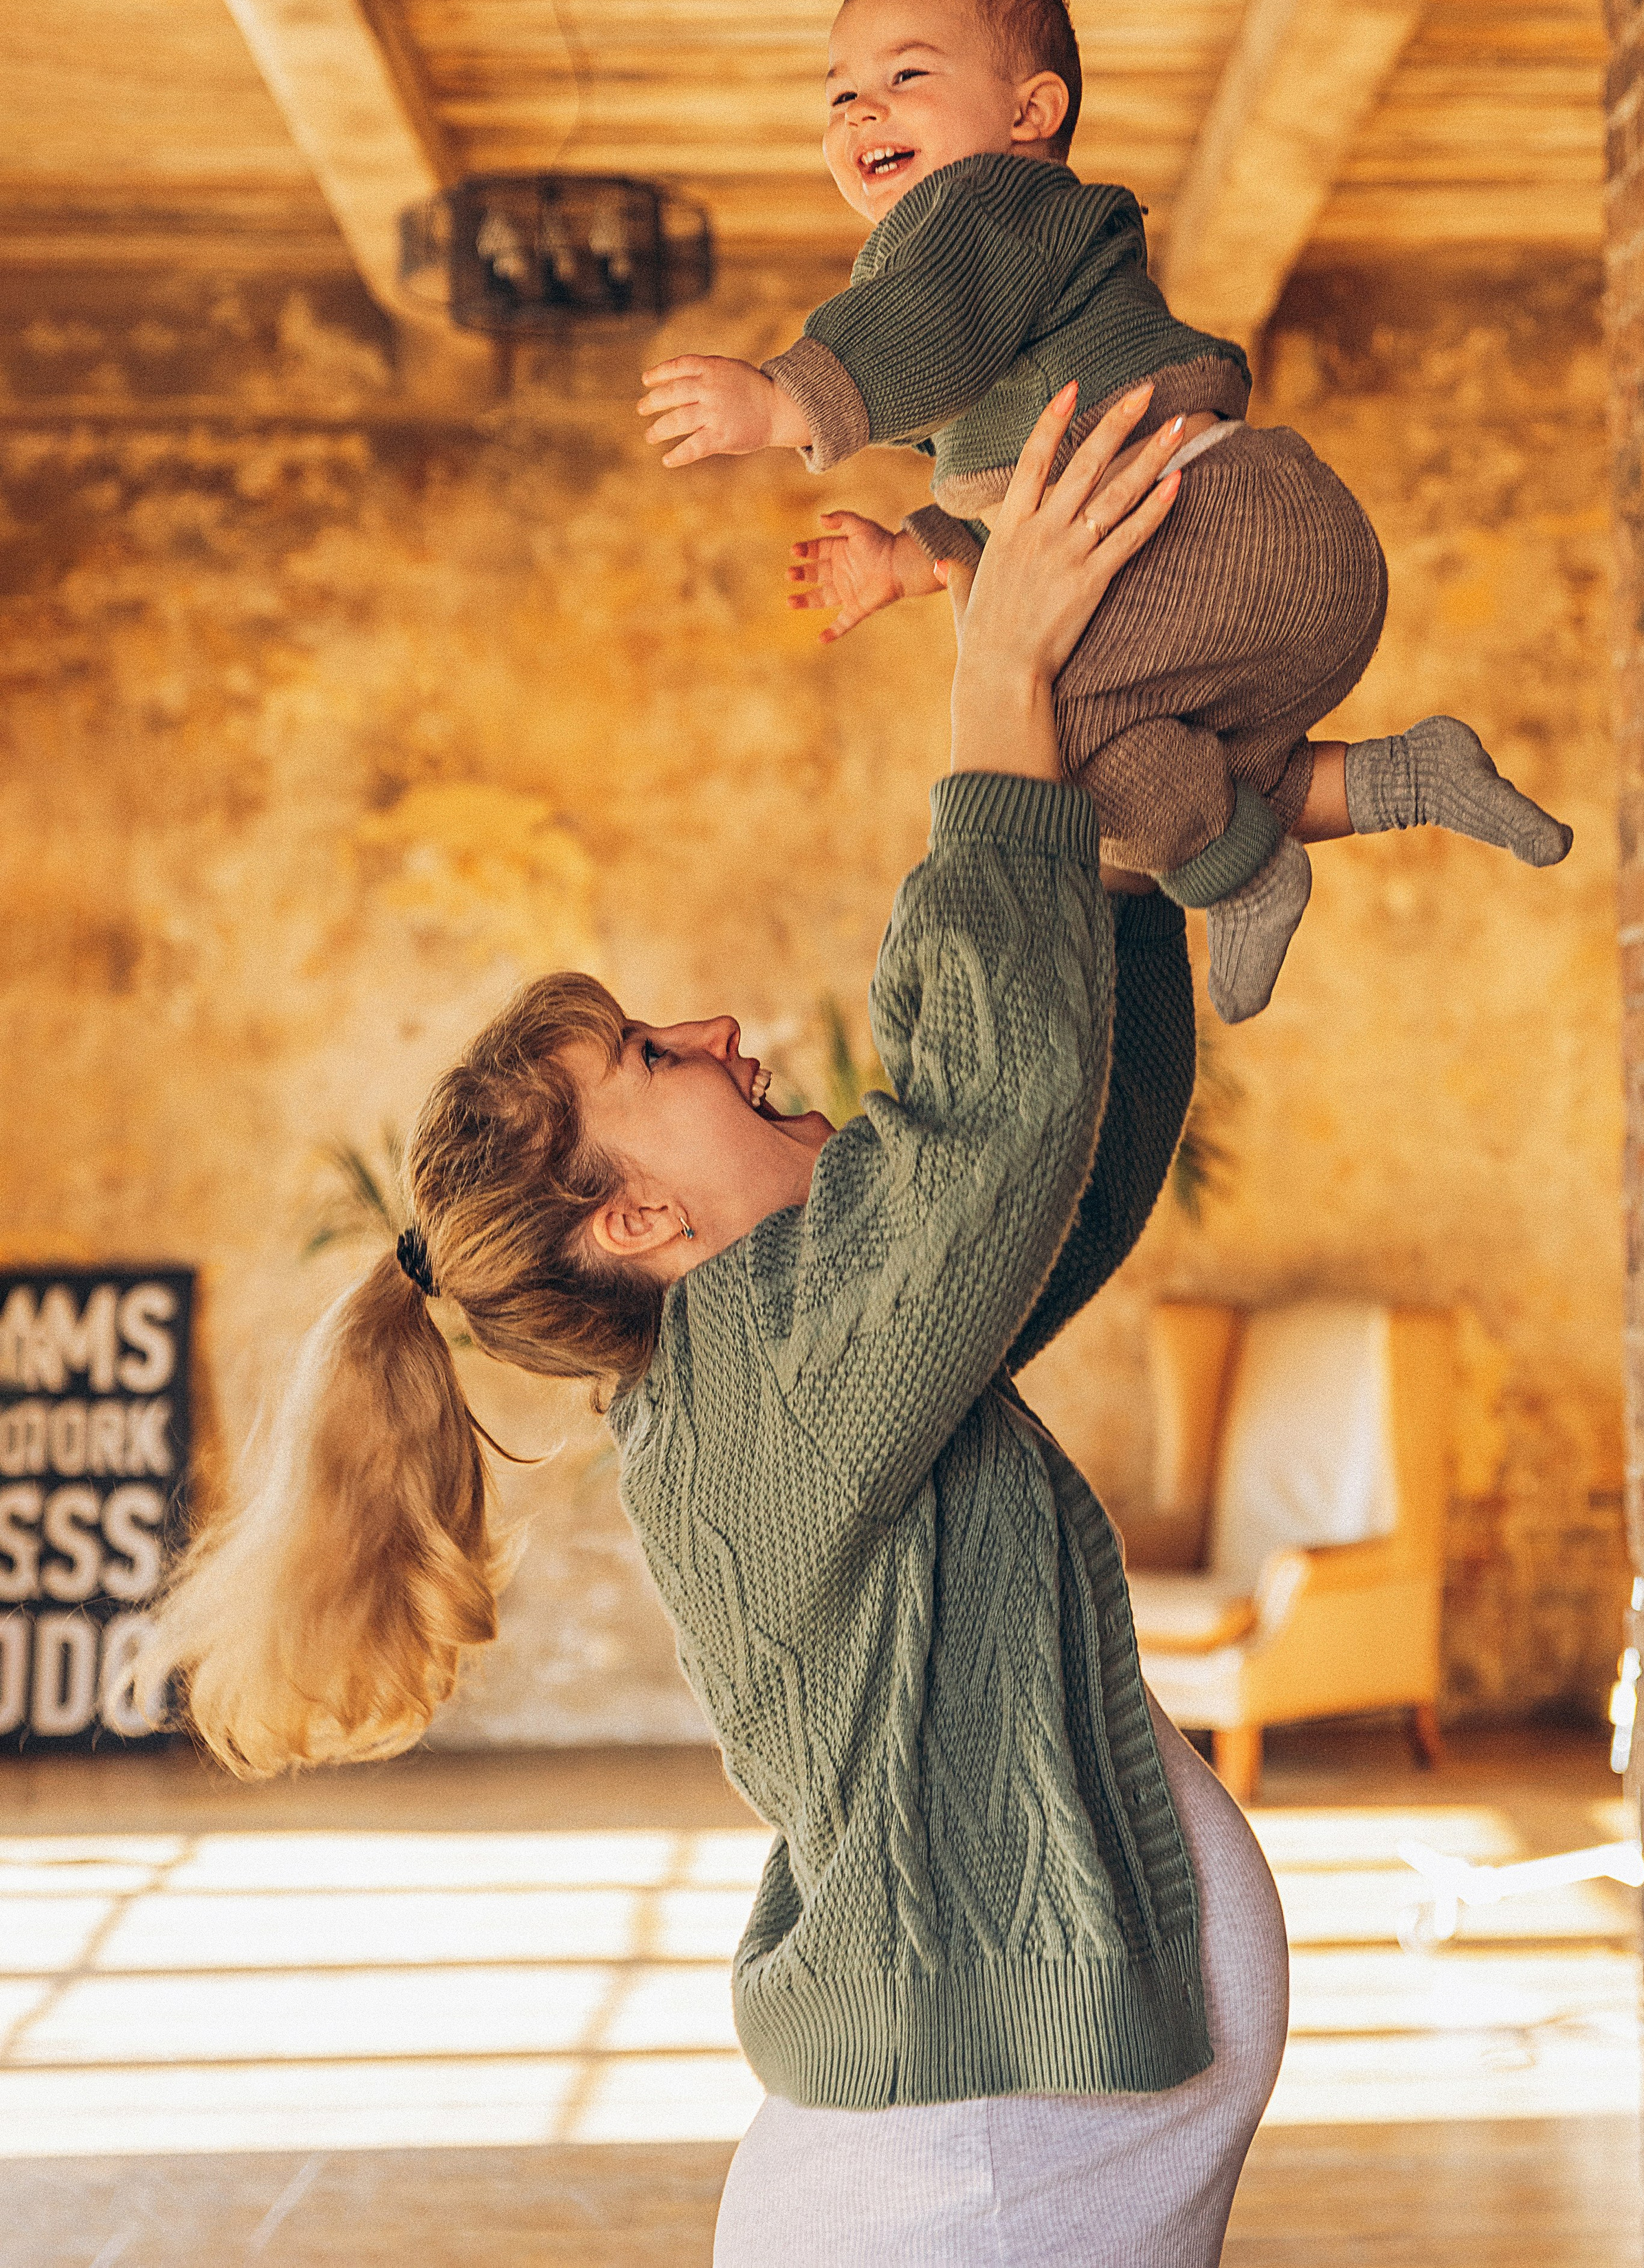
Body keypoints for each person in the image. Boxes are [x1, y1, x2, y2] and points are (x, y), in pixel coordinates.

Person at [138, 388, 1287, 2266]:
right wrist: (997, 688)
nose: (724, 1028)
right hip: (958, 2200)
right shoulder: (759, 1379)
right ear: (640, 1217)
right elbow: (988, 1131)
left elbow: (1054, 1182)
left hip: (985, 2178)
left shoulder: (813, 1349)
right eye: (654, 1060)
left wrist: (1117, 847)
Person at [635, 0, 1573, 1024]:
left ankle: (1256, 876)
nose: (858, 114)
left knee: (1045, 745)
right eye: (839, 93)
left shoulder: (982, 211)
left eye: (904, 77)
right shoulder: (1026, 306)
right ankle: (1400, 779)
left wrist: (781, 399)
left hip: (1206, 529)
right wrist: (905, 558)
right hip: (1250, 551)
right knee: (1166, 765)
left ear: (1032, 112)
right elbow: (1017, 501)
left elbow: (922, 330)